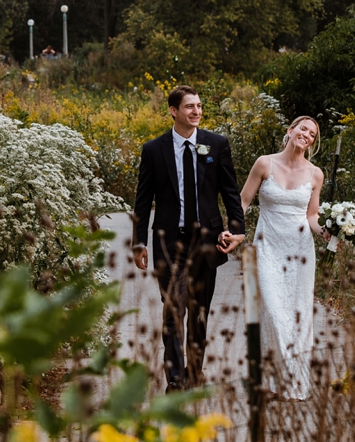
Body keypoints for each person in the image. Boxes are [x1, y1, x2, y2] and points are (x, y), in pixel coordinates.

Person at [131, 85, 246, 390]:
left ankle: (194, 370)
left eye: (199, 106)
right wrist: (138, 241)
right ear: (173, 111)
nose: (196, 112)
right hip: (170, 243)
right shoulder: (154, 149)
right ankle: (176, 379)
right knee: (173, 311)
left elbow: (229, 191)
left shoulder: (215, 144)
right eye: (189, 107)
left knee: (198, 313)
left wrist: (237, 229)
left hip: (206, 242)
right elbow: (143, 200)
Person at [238, 115, 329, 400]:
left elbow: (311, 216)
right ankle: (271, 377)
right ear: (290, 131)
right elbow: (243, 201)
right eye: (303, 129)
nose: (307, 135)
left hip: (300, 251)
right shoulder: (265, 163)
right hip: (267, 247)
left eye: (312, 134)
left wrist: (326, 230)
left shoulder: (316, 174)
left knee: (297, 316)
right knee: (273, 312)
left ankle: (292, 383)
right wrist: (231, 231)